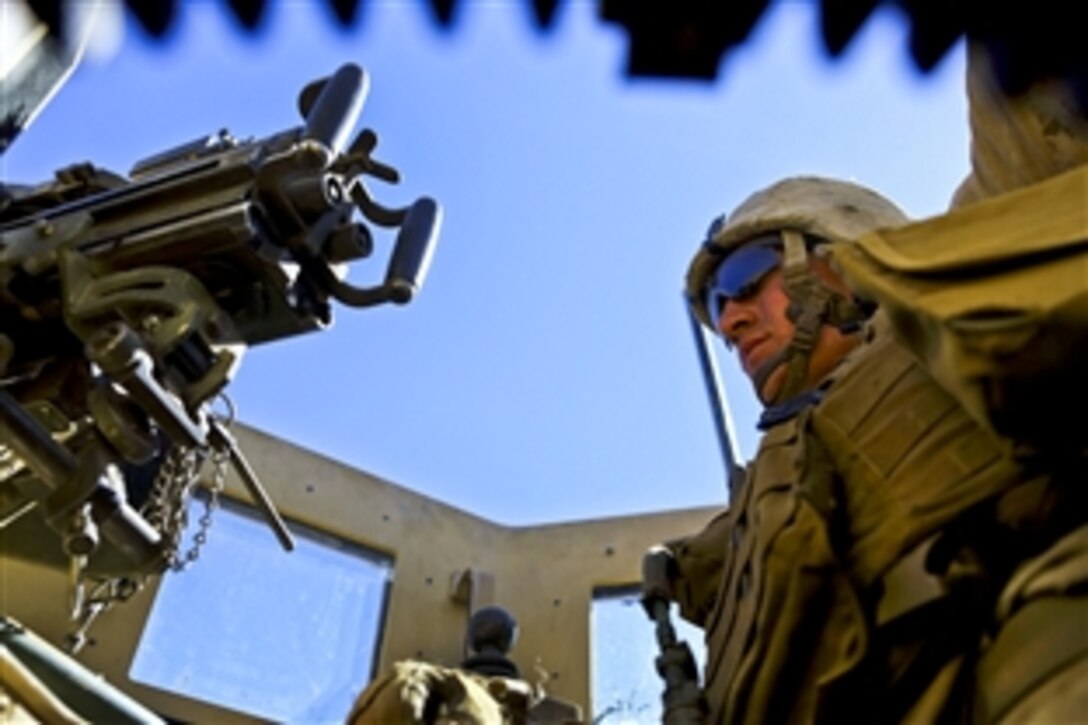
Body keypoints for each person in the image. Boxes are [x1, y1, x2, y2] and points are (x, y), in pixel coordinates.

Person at [657, 47, 1088, 722]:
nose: (732, 318)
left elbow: (1029, 131)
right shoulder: (744, 525)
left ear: (841, 267)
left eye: (743, 276)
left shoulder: (952, 311)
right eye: (715, 306)